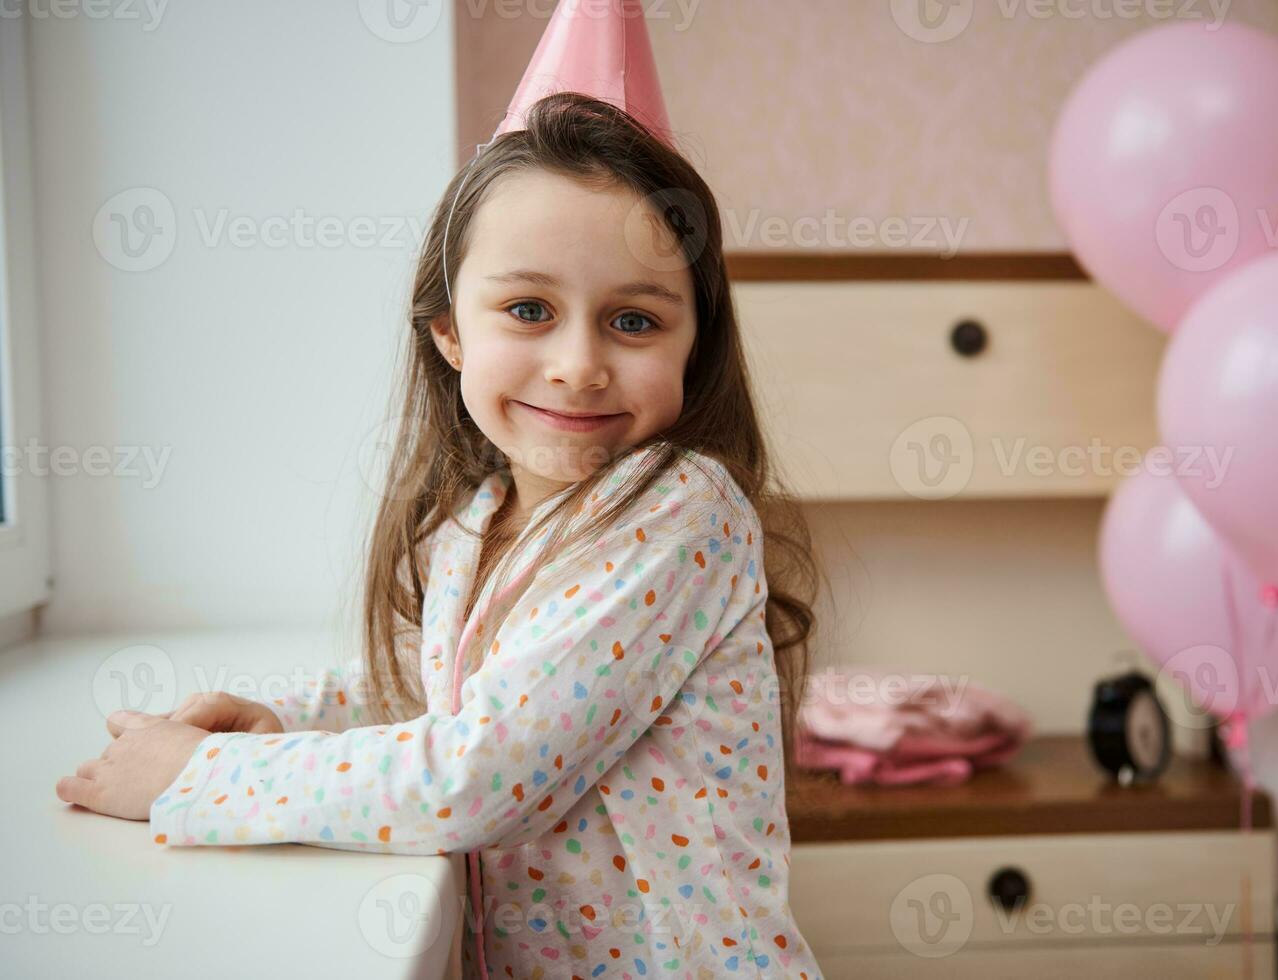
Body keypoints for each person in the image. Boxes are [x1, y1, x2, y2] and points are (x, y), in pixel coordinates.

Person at [55, 88, 827, 979]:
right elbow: (436, 688)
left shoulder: (677, 511)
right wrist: (277, 722)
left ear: (693, 345)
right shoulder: (474, 520)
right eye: (529, 310)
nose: (578, 365)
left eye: (634, 321)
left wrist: (196, 779)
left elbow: (480, 770)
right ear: (450, 332)